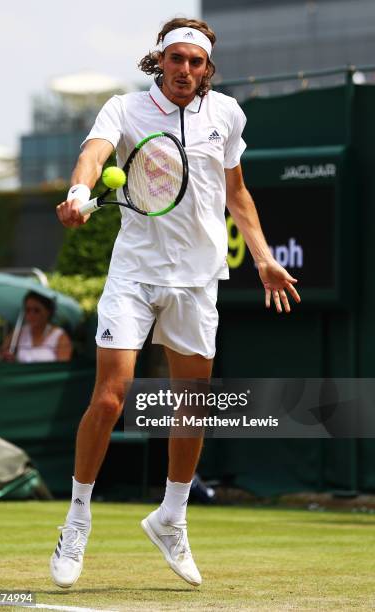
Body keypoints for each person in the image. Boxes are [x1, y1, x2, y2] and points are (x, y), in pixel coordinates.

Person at [51, 17, 301, 589]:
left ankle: (172, 517)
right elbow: (94, 154)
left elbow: (236, 193)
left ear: (206, 67)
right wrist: (77, 192)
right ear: (159, 61)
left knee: (192, 404)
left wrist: (262, 256)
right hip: (134, 275)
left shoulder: (228, 114)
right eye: (177, 59)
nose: (185, 70)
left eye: (196, 62)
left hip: (197, 279)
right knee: (111, 399)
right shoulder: (123, 109)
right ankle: (77, 517)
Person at [2, 291, 73, 363]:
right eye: (28, 310)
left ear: (48, 312)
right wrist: (10, 358)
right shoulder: (18, 332)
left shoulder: (60, 336)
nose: (31, 315)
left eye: (37, 310)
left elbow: (63, 367)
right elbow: (1, 352)